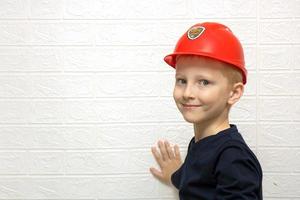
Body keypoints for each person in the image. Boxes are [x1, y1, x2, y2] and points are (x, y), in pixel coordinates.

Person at [149, 22, 263, 199]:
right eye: (181, 80)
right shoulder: (202, 143)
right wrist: (176, 175)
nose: (187, 93)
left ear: (233, 93)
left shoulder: (233, 158)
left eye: (204, 82)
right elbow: (198, 185)